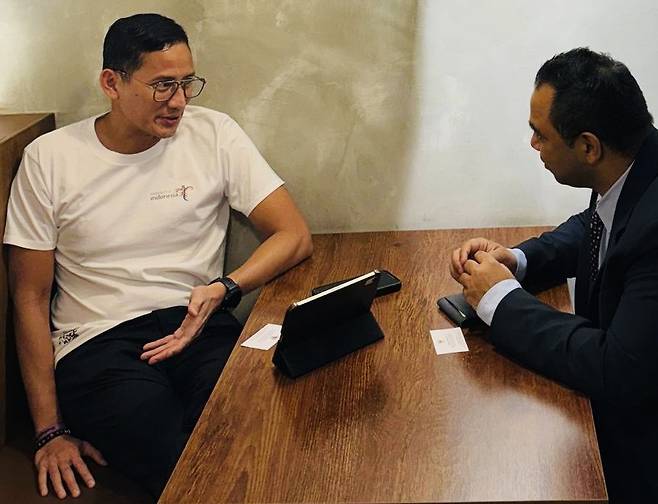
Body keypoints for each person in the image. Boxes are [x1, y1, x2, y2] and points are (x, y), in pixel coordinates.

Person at [4, 13, 313, 500]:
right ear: (112, 82)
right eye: (163, 85)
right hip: (96, 342)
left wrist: (225, 288)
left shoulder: (214, 133)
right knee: (176, 455)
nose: (180, 101)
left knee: (254, 427)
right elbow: (29, 295)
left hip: (197, 326)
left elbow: (293, 234)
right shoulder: (51, 158)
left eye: (187, 83)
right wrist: (49, 431)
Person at [449, 47, 657, 502]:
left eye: (539, 134)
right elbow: (598, 224)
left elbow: (617, 368)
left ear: (587, 146)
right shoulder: (636, 166)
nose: (533, 145)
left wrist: (500, 300)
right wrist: (517, 261)